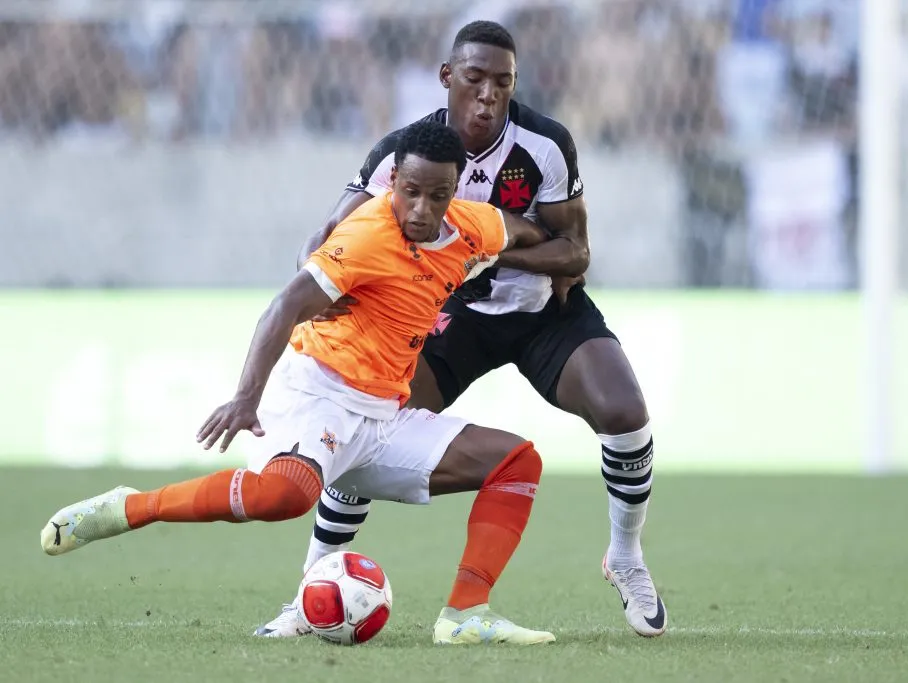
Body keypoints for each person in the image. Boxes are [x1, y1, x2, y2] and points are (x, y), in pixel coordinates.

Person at [40, 121, 557, 646]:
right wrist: (247, 396)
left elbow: (522, 230)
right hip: (318, 392)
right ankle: (130, 508)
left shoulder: (473, 227)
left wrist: (553, 261)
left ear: (457, 188)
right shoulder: (366, 236)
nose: (422, 209)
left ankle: (465, 614)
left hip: (382, 415)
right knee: (284, 497)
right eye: (411, 193)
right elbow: (285, 305)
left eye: (439, 196)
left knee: (516, 461)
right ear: (393, 180)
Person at [260, 20, 665, 639]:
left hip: (542, 312)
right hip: (448, 318)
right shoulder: (407, 151)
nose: (488, 96)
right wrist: (315, 284)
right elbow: (327, 237)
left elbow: (575, 252)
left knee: (625, 410)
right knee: (371, 420)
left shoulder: (545, 147)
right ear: (448, 77)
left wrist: (484, 251)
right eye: (475, 79)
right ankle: (307, 592)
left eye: (503, 84)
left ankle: (626, 558)